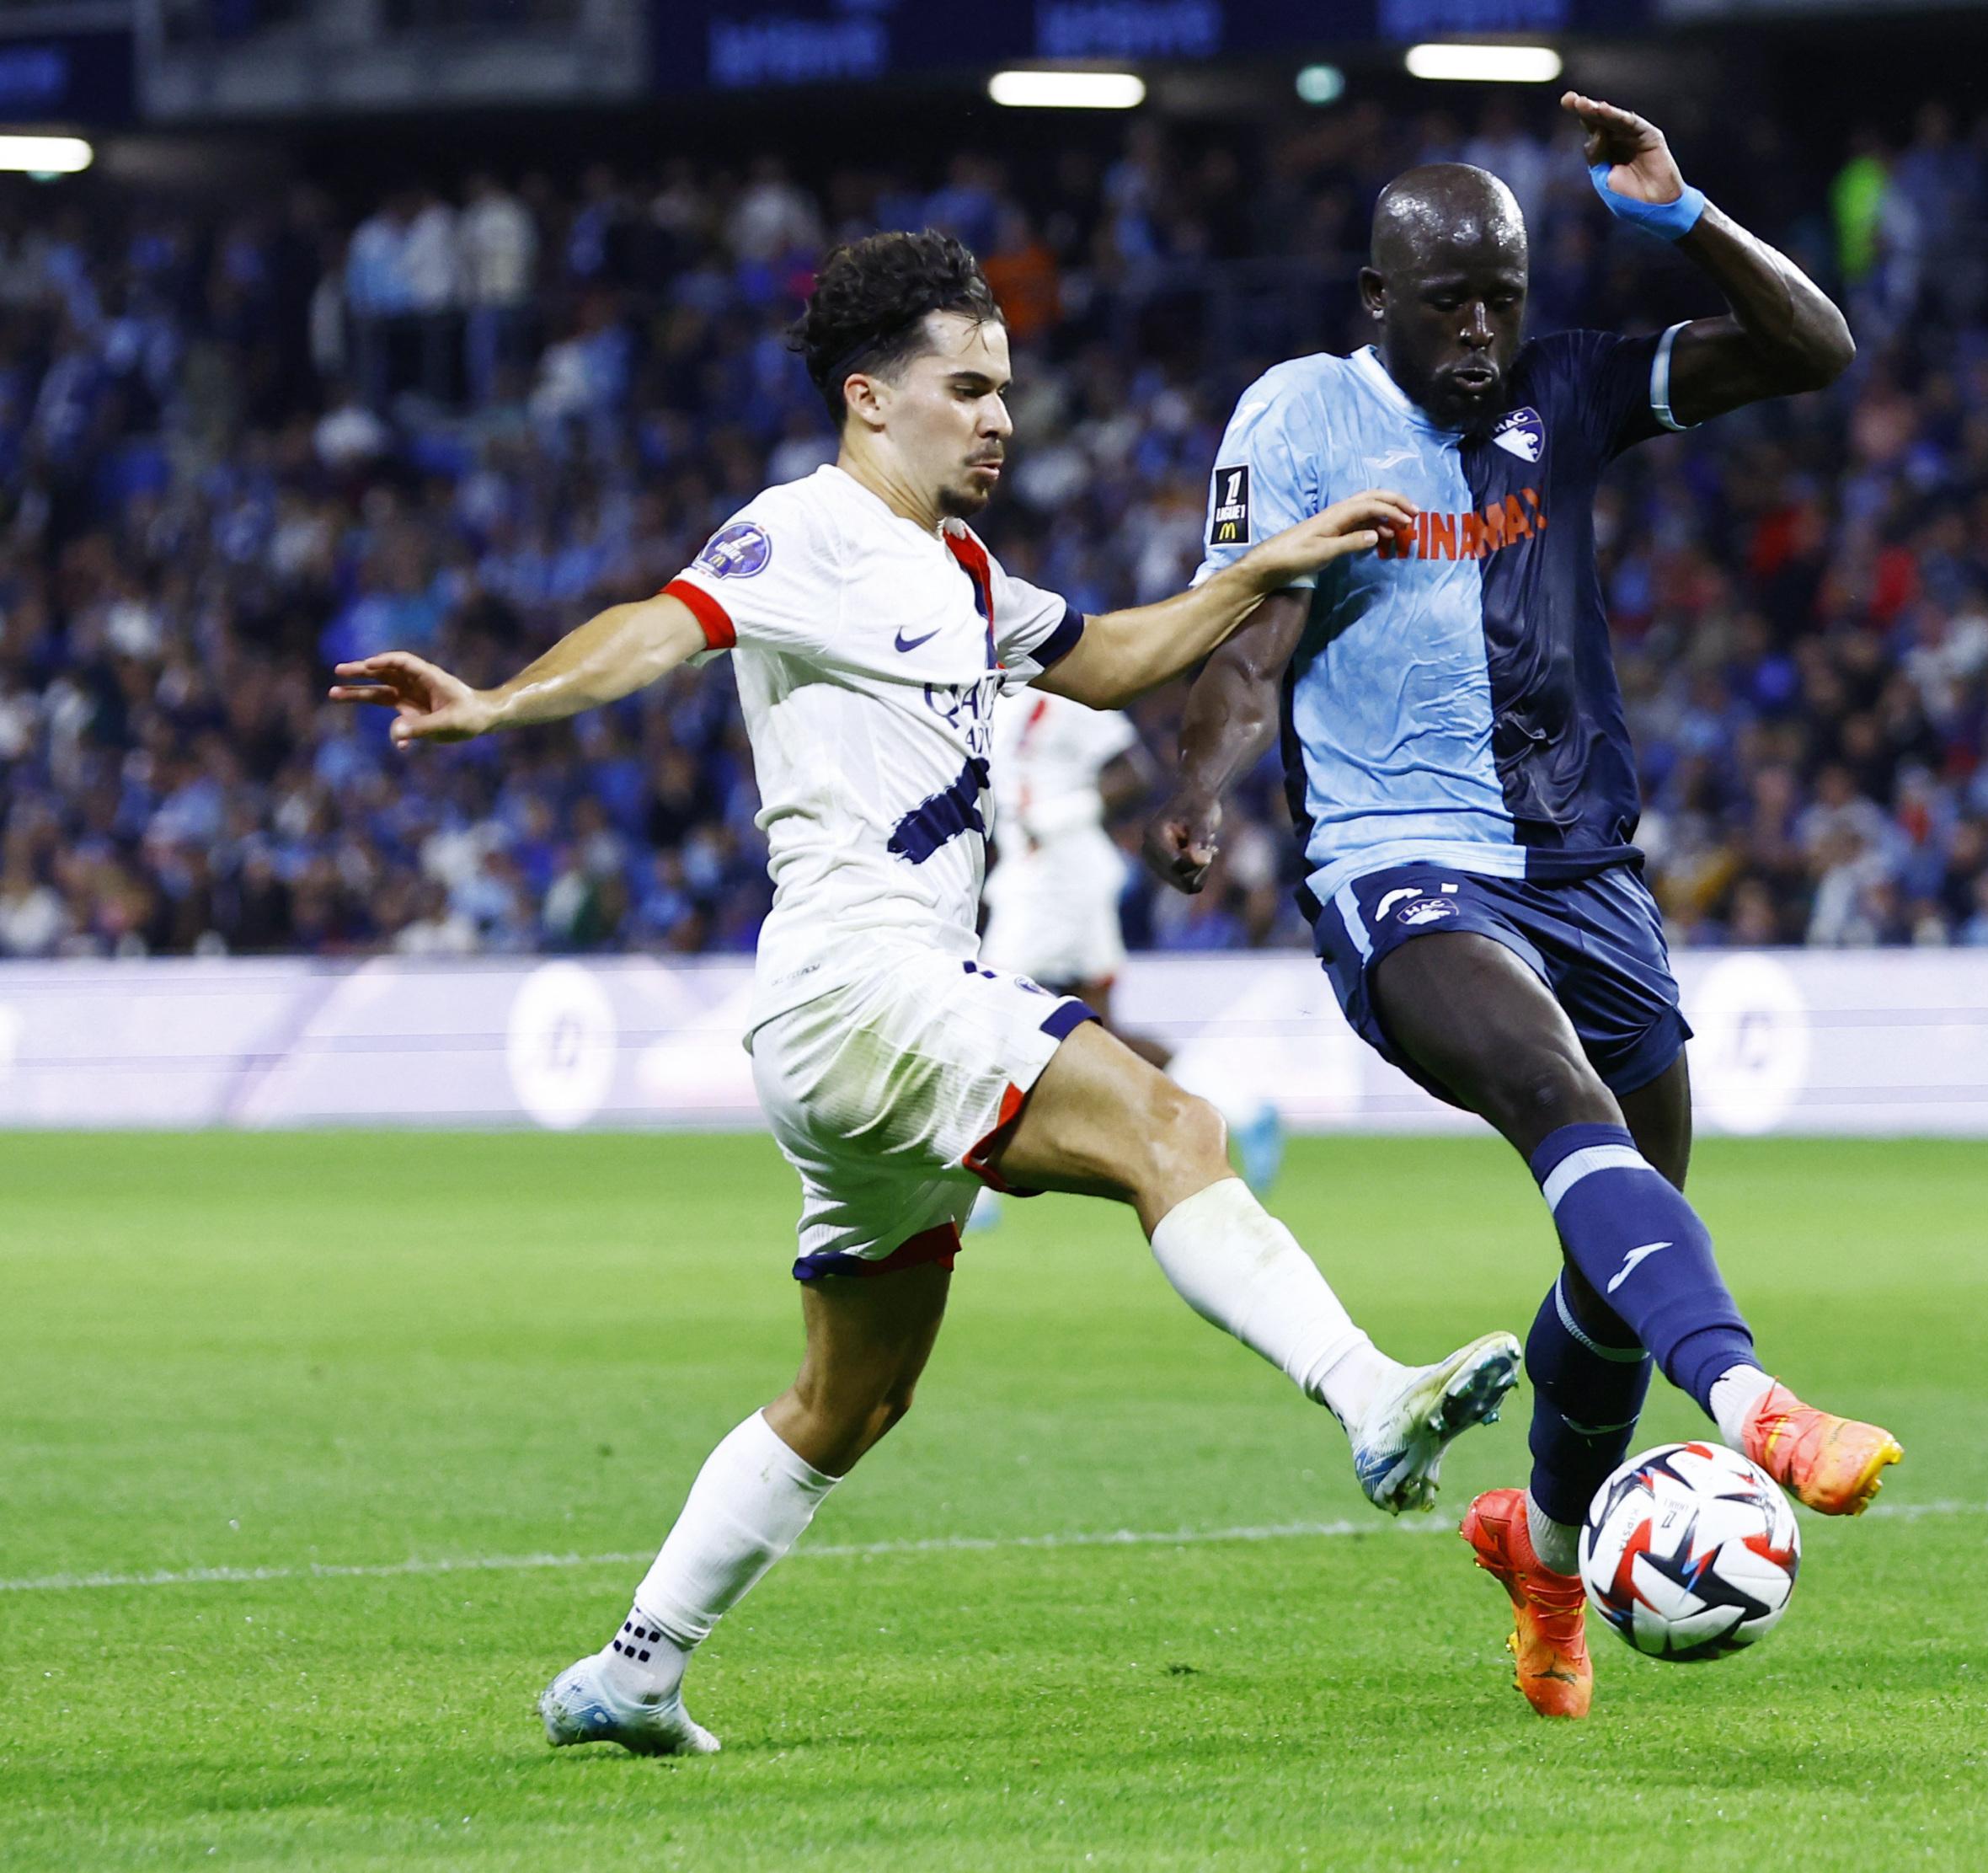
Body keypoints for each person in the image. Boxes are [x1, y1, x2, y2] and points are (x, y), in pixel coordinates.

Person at [330, 231, 1517, 1758]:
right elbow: (656, 626)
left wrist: (1266, 568)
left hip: (852, 1028)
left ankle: (633, 1665)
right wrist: (498, 701)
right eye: (966, 387)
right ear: (868, 399)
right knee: (1173, 1123)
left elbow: (1107, 659)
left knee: (851, 1397)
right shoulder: (806, 529)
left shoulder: (962, 574)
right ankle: (1367, 1394)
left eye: (1006, 388)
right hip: (866, 977)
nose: (1000, 416)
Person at [1142, 94, 1900, 1723]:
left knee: (1621, 1235)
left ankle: (1543, 1549)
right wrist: (1203, 780)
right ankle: (1756, 1400)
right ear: (1378, 301)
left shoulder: (1565, 388)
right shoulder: (1298, 419)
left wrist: (1682, 213)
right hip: (1396, 861)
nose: (1485, 326)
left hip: (1584, 865)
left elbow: (1814, 350)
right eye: (1449, 301)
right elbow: (1248, 638)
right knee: (1563, 1103)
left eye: (1504, 290)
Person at [981, 685, 1285, 1196]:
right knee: (1105, 1031)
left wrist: (1059, 815)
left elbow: (1136, 772)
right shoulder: (989, 699)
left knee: (987, 1009)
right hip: (1031, 871)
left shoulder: (1063, 692)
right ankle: (1242, 1106)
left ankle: (977, 1185)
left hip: (1060, 874)